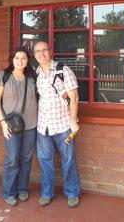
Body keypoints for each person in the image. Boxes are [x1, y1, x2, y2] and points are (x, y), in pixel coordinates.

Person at [33, 41, 80, 208]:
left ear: (50, 51)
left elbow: (74, 98)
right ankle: (47, 193)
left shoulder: (63, 70)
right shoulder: (36, 73)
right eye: (37, 51)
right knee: (45, 161)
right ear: (34, 54)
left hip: (63, 125)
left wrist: (73, 120)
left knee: (68, 160)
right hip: (43, 126)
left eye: (44, 50)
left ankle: (72, 192)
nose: (41, 53)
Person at [0, 47, 38, 207]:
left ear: (28, 60)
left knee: (26, 158)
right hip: (10, 125)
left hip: (31, 124)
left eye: (23, 58)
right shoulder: (3, 76)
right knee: (12, 159)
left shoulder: (33, 77)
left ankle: (22, 188)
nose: (20, 61)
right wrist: (3, 123)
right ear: (12, 59)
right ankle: (9, 192)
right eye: (17, 58)